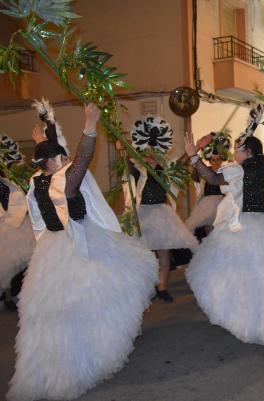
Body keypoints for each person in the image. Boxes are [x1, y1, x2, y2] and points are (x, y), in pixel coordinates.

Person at [8, 101, 158, 401]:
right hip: (78, 245)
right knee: (90, 303)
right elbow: (82, 159)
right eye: (61, 155)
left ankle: (51, 364)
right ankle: (89, 355)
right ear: (59, 159)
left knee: (55, 313)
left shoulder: (36, 182)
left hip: (50, 250)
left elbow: (62, 158)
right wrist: (89, 125)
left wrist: (47, 132)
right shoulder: (65, 181)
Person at [184, 105, 264, 347]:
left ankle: (244, 317)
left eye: (236, 149)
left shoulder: (239, 171)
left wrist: (193, 155)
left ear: (247, 151)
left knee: (238, 274)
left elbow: (211, 178)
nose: (233, 153)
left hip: (245, 227)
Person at [120, 115, 198, 303]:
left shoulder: (165, 167)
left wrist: (194, 151)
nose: (151, 153)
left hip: (161, 214)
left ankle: (162, 287)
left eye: (154, 150)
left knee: (164, 253)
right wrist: (122, 150)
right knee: (143, 254)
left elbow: (179, 167)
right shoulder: (136, 166)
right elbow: (127, 163)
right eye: (147, 150)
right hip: (143, 214)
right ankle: (144, 287)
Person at [0, 136, 35, 311]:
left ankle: (16, 293)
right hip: (5, 224)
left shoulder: (17, 180)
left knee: (24, 264)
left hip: (21, 224)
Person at [185, 132, 230, 241]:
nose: (215, 162)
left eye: (218, 159)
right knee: (208, 230)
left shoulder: (226, 172)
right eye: (213, 159)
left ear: (222, 159)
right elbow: (192, 169)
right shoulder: (205, 171)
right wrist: (195, 151)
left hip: (222, 204)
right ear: (209, 160)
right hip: (206, 204)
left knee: (220, 230)